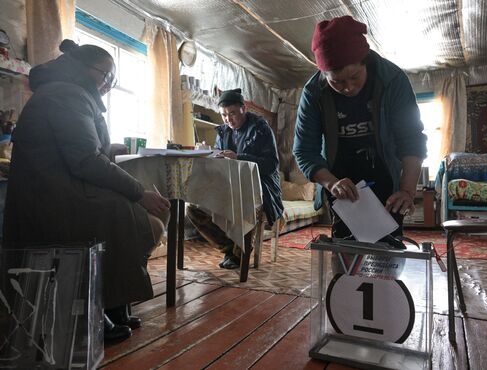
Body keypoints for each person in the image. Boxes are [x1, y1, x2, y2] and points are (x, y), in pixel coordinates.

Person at [3, 39, 170, 342]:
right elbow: (85, 161)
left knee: (143, 213)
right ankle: (98, 308)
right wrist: (138, 192)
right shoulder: (66, 94)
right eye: (105, 74)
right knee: (135, 214)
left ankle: (115, 302)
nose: (108, 83)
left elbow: (80, 151)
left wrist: (109, 151)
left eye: (112, 78)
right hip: (50, 201)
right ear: (81, 67)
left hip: (58, 191)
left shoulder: (70, 92)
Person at [293, 16, 427, 239]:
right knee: (345, 255)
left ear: (365, 61)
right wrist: (332, 183)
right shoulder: (313, 92)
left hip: (386, 179)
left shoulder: (392, 80)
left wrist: (407, 190)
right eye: (337, 82)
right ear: (324, 76)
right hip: (340, 184)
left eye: (354, 77)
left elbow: (411, 139)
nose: (348, 88)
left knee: (387, 253)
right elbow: (304, 151)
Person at [187, 89, 283, 269]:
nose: (228, 119)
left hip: (261, 187)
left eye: (232, 113)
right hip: (228, 185)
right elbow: (220, 165)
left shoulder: (260, 128)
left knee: (247, 204)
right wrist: (210, 155)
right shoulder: (223, 131)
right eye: (223, 115)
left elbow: (271, 165)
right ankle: (230, 249)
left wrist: (239, 157)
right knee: (193, 209)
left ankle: (240, 255)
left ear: (243, 109)